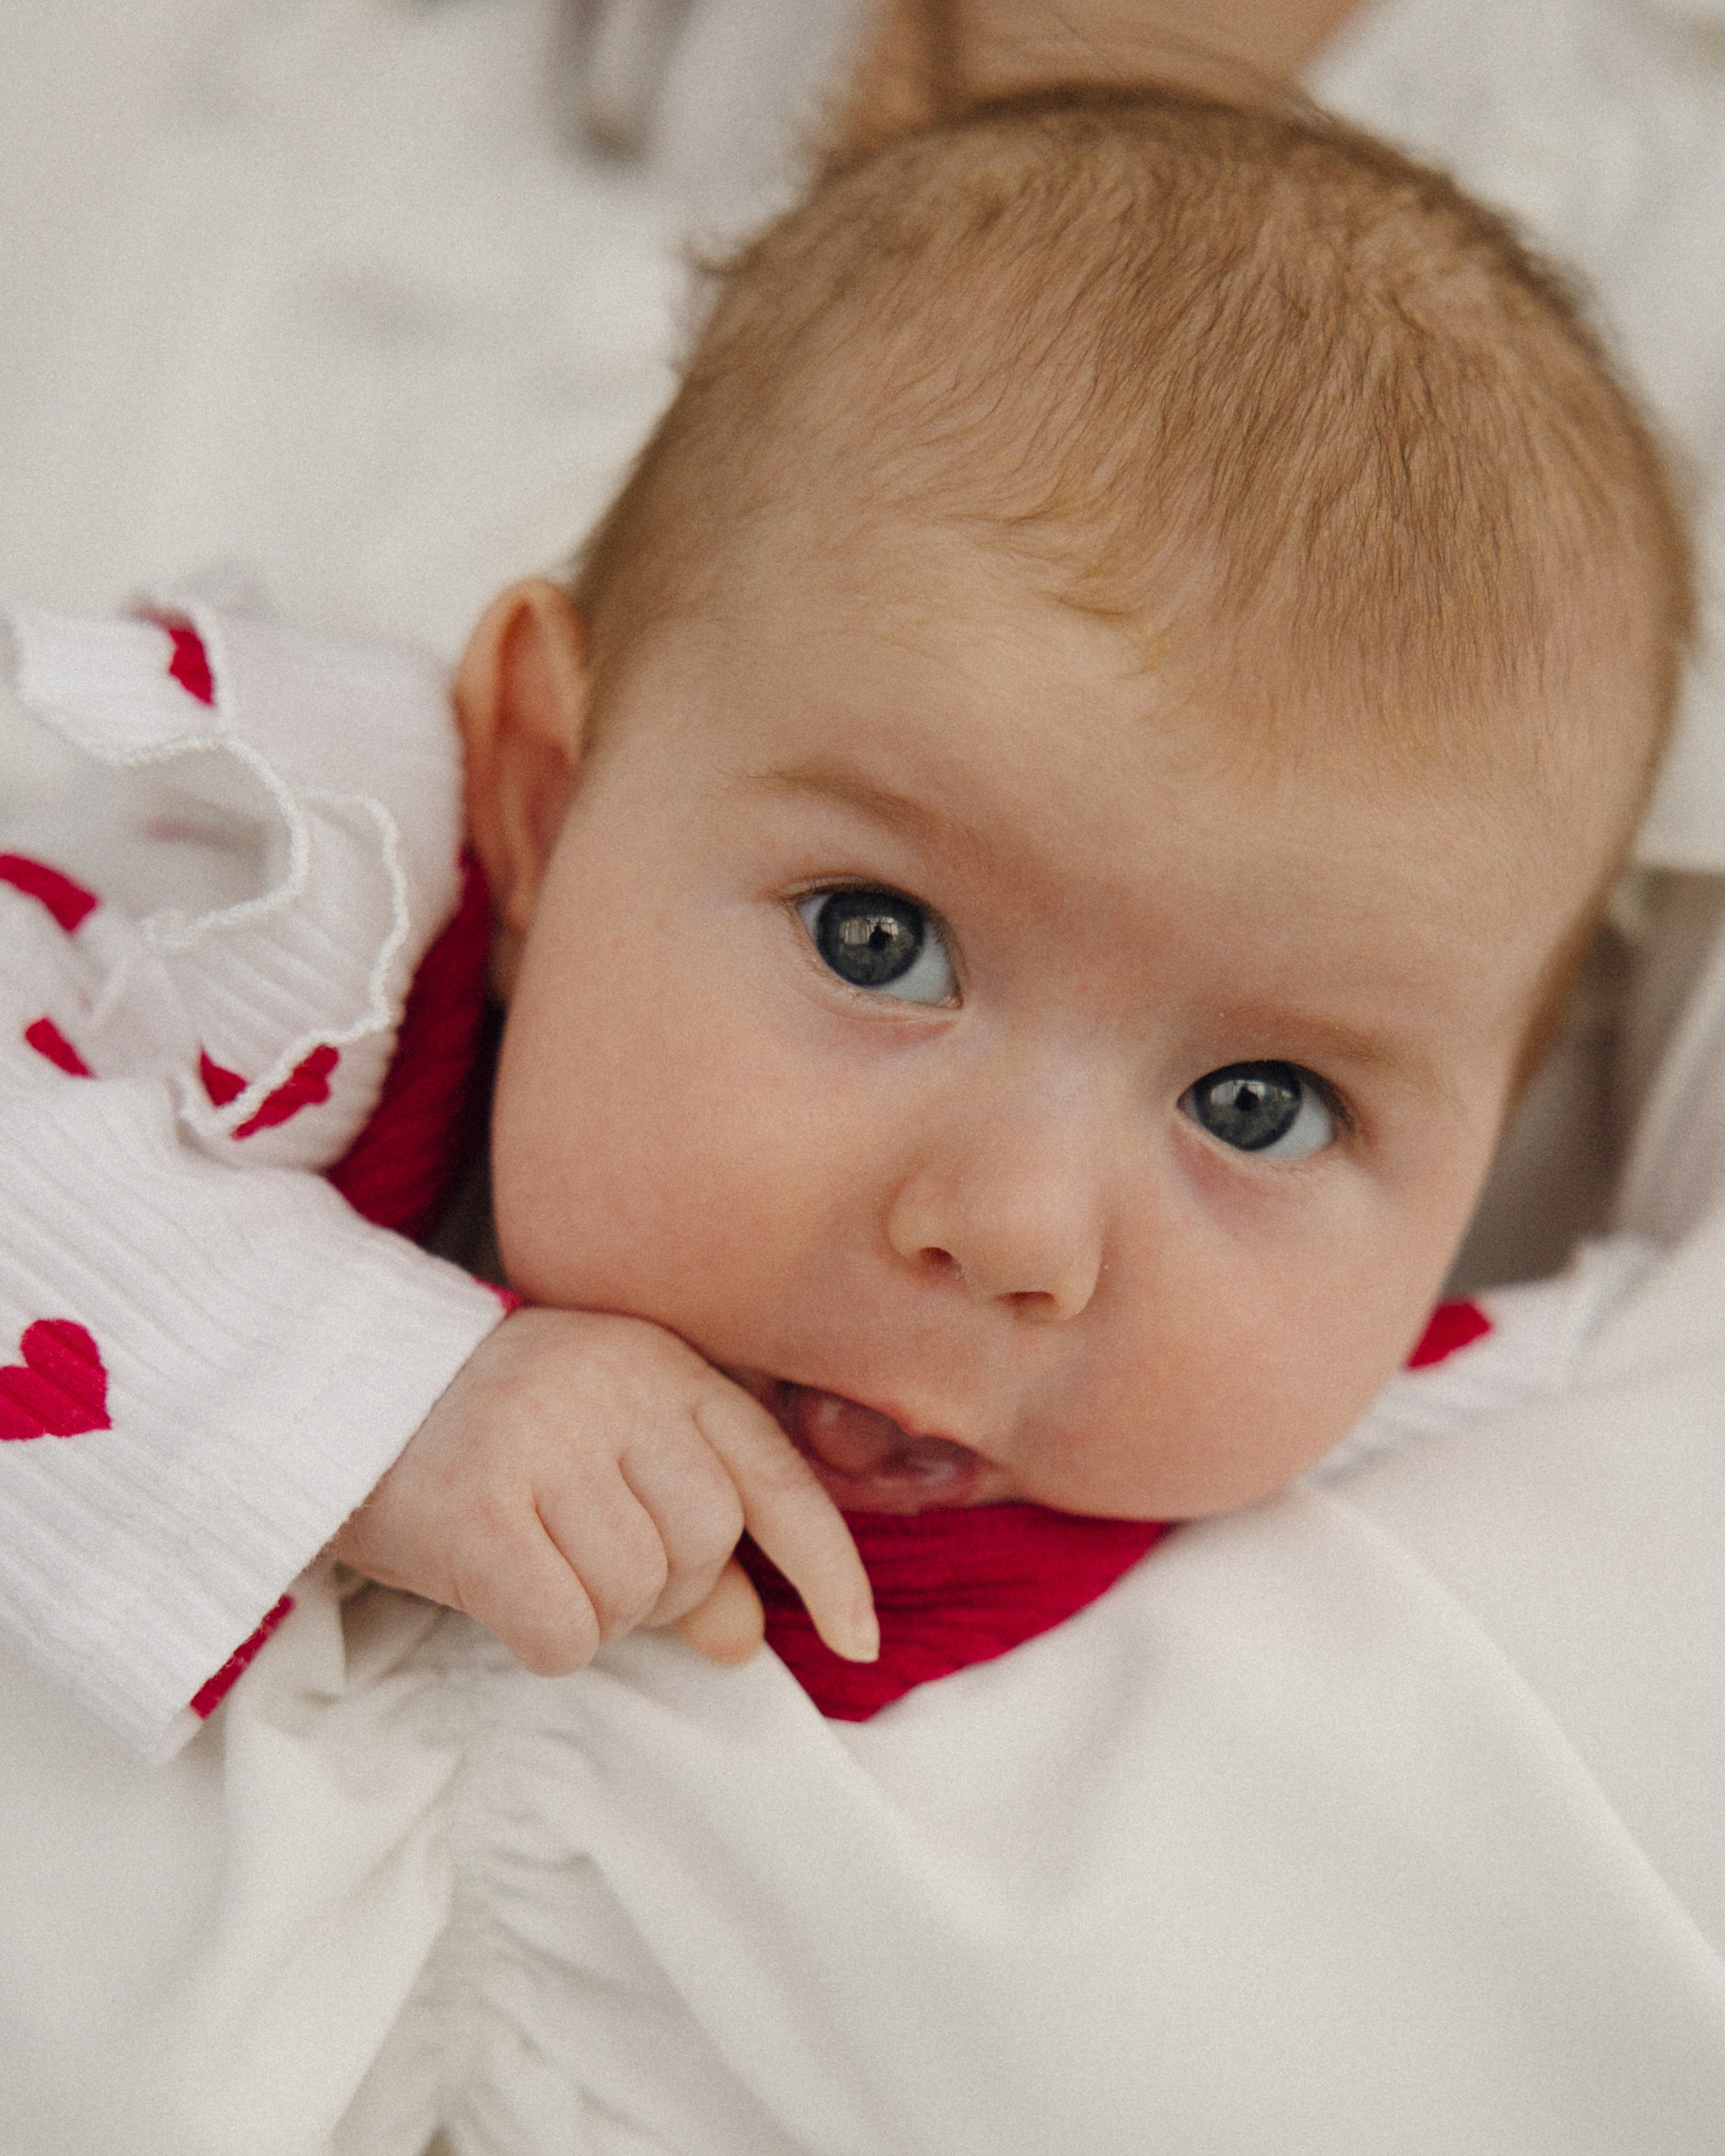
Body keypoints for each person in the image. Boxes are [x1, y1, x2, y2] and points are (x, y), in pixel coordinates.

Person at [1, 76, 1718, 2156]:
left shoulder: (1433, 1441)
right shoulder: (283, 938)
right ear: (546, 795)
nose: (1016, 1231)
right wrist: (356, 1397)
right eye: (881, 940)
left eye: (1261, 1105)